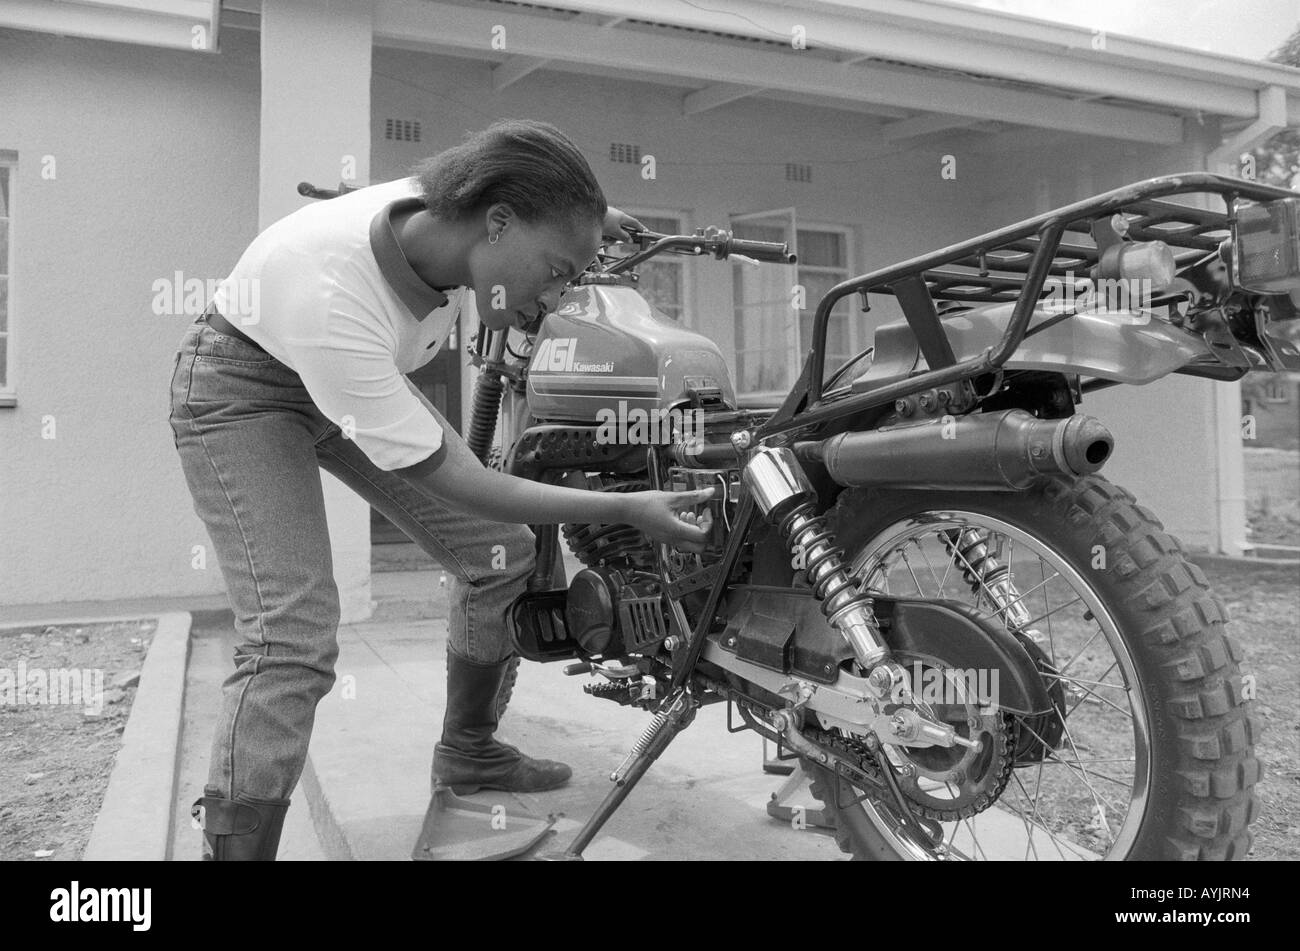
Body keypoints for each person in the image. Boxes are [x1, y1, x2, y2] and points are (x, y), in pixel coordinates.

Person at [169, 119, 714, 860]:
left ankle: (469, 750)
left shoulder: (456, 212)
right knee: (292, 632)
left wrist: (591, 223)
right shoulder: (334, 299)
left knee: (499, 553)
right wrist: (625, 508)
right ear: (497, 226)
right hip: (242, 386)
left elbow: (511, 175)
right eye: (556, 270)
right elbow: (470, 483)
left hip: (354, 376)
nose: (557, 296)